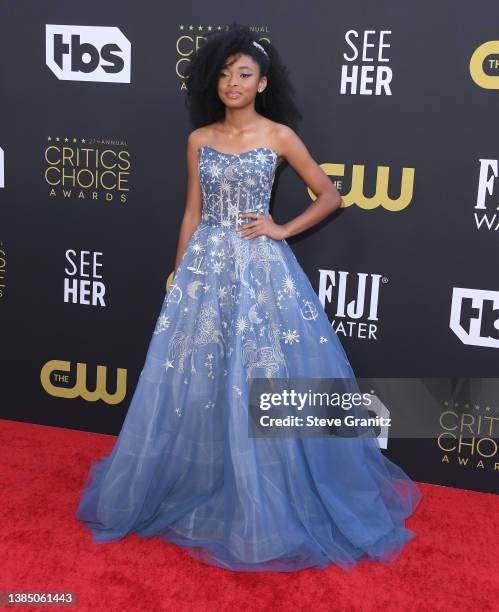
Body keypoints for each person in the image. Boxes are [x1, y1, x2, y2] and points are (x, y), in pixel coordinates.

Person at [76, 23, 422, 573]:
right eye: (224, 74)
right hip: (204, 270)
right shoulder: (199, 139)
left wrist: (282, 228)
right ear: (212, 81)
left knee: (261, 378)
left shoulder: (279, 136)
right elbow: (191, 210)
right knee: (200, 377)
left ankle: (267, 503)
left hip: (259, 269)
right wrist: (179, 275)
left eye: (244, 75)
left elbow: (330, 194)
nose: (233, 83)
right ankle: (204, 480)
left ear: (262, 83)